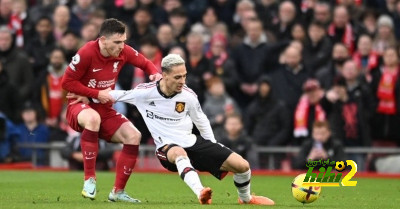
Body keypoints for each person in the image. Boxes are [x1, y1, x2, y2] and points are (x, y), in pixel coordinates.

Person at [72, 54, 274, 205]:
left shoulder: (188, 96)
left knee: (242, 165)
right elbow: (116, 95)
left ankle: (245, 199)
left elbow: (201, 120)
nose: (182, 81)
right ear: (164, 75)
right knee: (178, 153)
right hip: (166, 148)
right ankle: (201, 192)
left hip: (191, 141)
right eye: (177, 77)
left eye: (184, 76)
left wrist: (211, 144)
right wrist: (87, 96)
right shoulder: (145, 93)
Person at [61, 18, 162, 203]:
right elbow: (66, 82)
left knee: (134, 136)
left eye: (123, 41)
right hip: (79, 106)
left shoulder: (123, 51)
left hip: (104, 108)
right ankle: (89, 180)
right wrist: (95, 94)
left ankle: (118, 191)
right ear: (102, 40)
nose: (121, 46)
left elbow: (145, 62)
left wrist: (154, 73)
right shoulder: (86, 52)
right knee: (92, 119)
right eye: (117, 42)